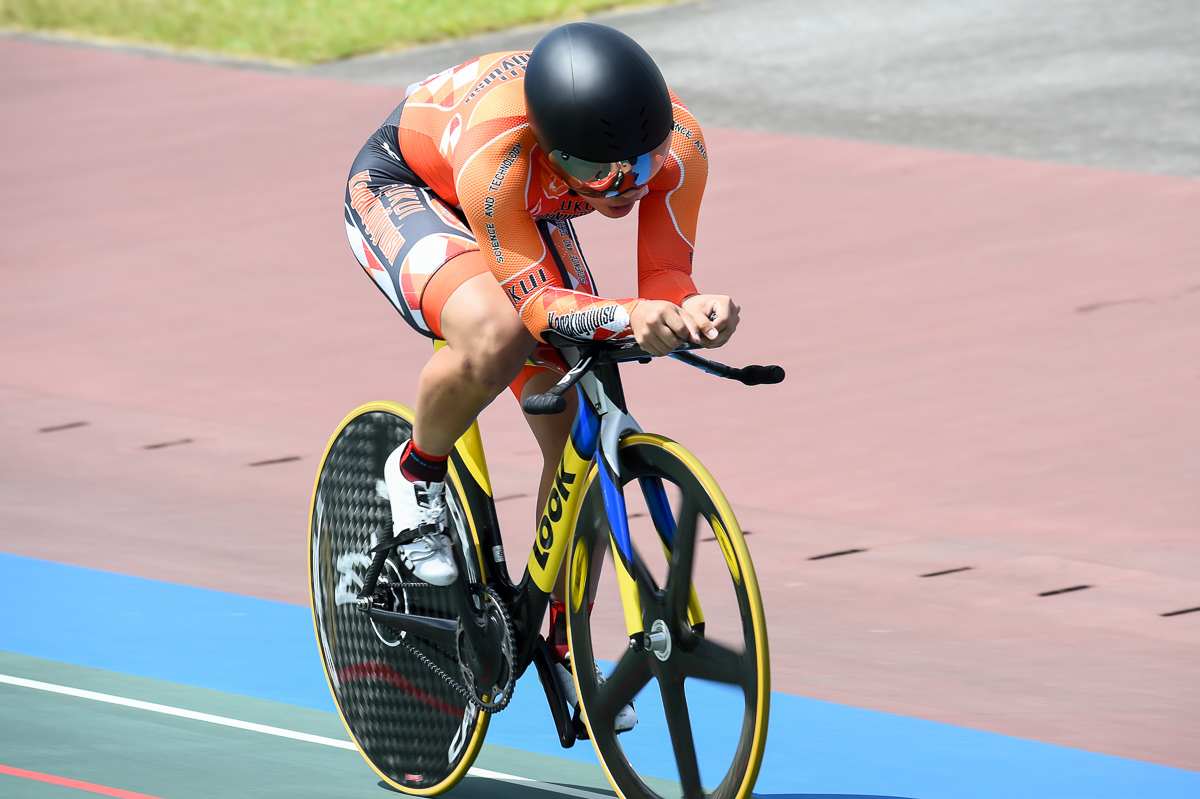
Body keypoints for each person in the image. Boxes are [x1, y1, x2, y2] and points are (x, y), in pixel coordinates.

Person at [343, 21, 739, 731]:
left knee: (578, 438)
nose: (623, 188)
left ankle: (558, 635)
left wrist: (691, 305)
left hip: (532, 206)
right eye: (602, 173)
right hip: (417, 189)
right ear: (554, 147)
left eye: (639, 167)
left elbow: (666, 278)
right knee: (495, 336)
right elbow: (536, 310)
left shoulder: (678, 144)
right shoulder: (503, 152)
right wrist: (628, 313)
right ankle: (416, 471)